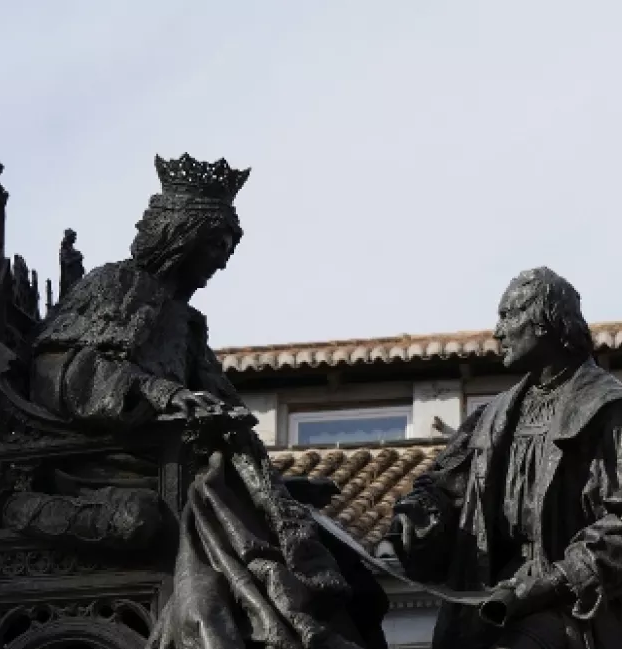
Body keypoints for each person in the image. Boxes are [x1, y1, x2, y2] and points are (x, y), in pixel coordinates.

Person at [31, 153, 388, 649]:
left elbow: (224, 409)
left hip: (174, 460)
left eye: (229, 248)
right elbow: (59, 372)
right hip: (110, 463)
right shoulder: (117, 285)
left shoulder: (188, 322)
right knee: (231, 523)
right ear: (181, 236)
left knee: (335, 558)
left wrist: (273, 485)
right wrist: (159, 391)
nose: (222, 260)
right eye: (217, 245)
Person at [390, 267, 622, 649]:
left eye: (508, 316)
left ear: (543, 322)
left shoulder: (610, 411)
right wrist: (419, 517)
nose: (497, 332)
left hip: (577, 608)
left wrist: (557, 580)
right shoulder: (493, 417)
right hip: (494, 598)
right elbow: (446, 488)